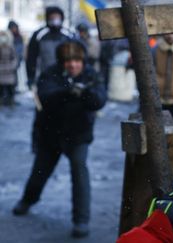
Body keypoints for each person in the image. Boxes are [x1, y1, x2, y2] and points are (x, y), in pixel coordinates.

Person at [12, 41, 107, 238]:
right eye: (68, 61)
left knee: (80, 173)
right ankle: (27, 200)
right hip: (51, 135)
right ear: (62, 62)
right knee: (40, 173)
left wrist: (85, 92)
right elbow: (45, 96)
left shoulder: (91, 74)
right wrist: (68, 90)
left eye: (76, 61)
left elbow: (99, 100)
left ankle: (81, 220)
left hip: (78, 135)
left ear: (82, 61)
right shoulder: (50, 73)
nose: (73, 65)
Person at [26, 6, 73, 153]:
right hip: (44, 81)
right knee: (41, 113)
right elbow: (31, 59)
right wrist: (31, 78)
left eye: (57, 17)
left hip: (63, 80)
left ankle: (62, 142)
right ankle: (37, 143)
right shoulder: (39, 35)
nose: (55, 20)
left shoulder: (67, 35)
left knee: (65, 111)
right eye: (52, 17)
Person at [0, 30, 17, 106]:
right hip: (1, 73)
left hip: (9, 73)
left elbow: (14, 59)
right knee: (1, 89)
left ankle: (11, 102)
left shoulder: (11, 47)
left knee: (10, 89)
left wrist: (11, 66)